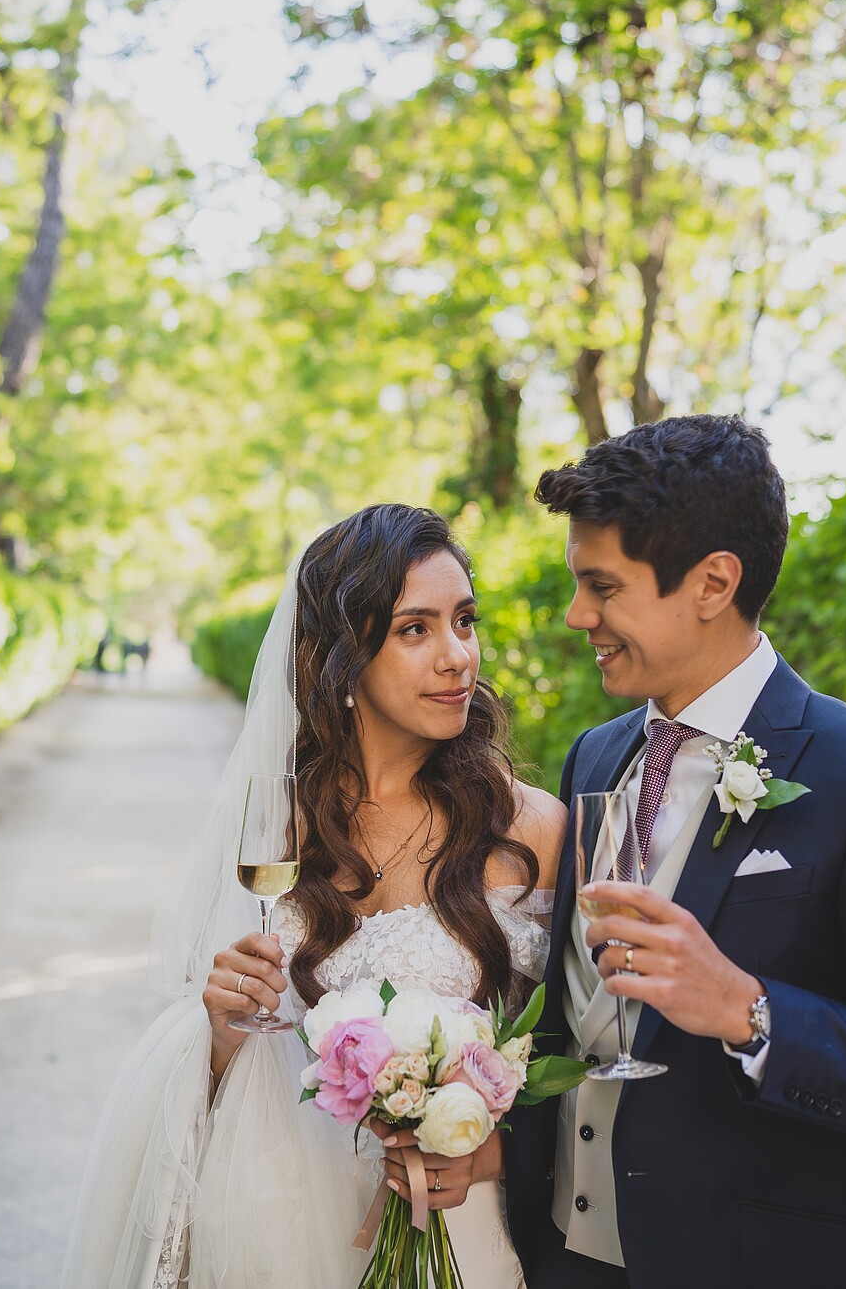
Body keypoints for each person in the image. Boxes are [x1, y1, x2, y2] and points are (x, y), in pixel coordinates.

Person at [503, 416, 846, 1288]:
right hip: (562, 1260)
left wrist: (751, 1011)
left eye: (602, 587)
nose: (575, 615)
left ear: (712, 583)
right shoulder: (597, 754)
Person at [62, 504, 565, 1289]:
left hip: (466, 1228)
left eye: (464, 621)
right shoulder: (275, 827)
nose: (457, 656)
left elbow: (585, 1065)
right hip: (284, 1232)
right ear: (339, 659)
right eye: (414, 629)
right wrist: (225, 1031)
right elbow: (236, 1075)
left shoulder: (530, 828)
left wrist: (488, 1145)